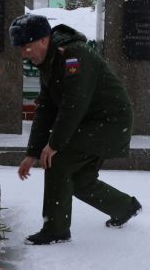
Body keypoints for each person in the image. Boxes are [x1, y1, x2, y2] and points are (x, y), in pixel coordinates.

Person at [9, 14, 142, 245]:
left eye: (26, 47)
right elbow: (47, 108)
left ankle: (56, 230)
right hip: (90, 122)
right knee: (79, 179)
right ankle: (124, 207)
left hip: (109, 122)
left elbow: (74, 104)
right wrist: (32, 152)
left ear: (43, 40)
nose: (23, 54)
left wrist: (54, 145)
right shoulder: (50, 60)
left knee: (57, 161)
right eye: (20, 48)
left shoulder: (73, 56)